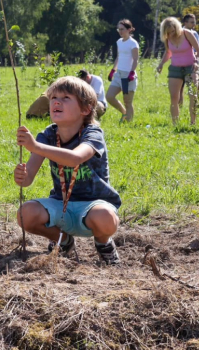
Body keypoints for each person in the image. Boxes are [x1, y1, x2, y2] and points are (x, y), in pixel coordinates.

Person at [14, 76, 121, 265]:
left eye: (65, 98)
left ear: (85, 109)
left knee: (104, 217)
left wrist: (35, 146)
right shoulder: (47, 135)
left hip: (94, 206)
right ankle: (62, 240)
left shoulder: (93, 133)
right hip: (61, 204)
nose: (56, 101)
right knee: (25, 214)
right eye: (53, 97)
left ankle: (103, 243)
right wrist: (22, 176)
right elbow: (28, 179)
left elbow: (75, 159)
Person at [156, 17, 199, 125]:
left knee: (193, 95)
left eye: (173, 31)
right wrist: (161, 64)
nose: (171, 34)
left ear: (177, 27)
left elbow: (198, 49)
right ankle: (175, 123)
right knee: (174, 97)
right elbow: (168, 52)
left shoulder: (186, 33)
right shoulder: (168, 38)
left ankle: (193, 122)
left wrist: (197, 61)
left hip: (191, 67)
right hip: (175, 68)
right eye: (168, 32)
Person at [107, 19, 139, 122]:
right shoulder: (119, 42)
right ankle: (124, 112)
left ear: (129, 29)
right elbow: (118, 57)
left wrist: (132, 72)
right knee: (109, 96)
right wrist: (113, 70)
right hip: (119, 74)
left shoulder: (133, 43)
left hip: (128, 76)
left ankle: (128, 122)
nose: (120, 31)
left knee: (127, 101)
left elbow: (135, 59)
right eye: (119, 29)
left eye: (122, 29)